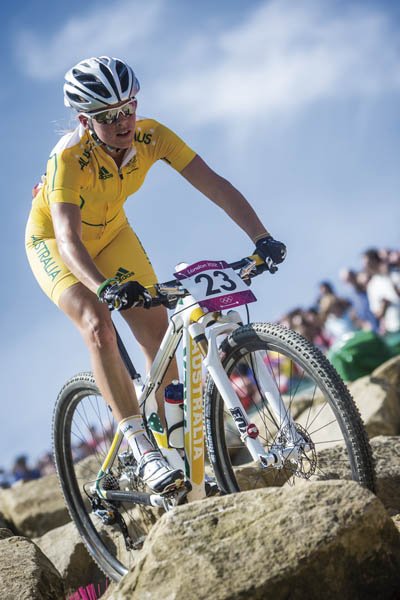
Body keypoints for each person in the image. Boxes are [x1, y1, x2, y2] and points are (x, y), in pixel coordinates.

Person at [25, 56, 286, 494]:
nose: (123, 122)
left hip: (113, 235)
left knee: (159, 337)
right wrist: (105, 287)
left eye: (128, 108)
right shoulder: (69, 157)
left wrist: (261, 237)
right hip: (55, 242)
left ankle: (170, 447)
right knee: (98, 324)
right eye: (109, 116)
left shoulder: (152, 135)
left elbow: (214, 184)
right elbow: (68, 239)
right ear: (86, 121)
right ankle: (140, 446)